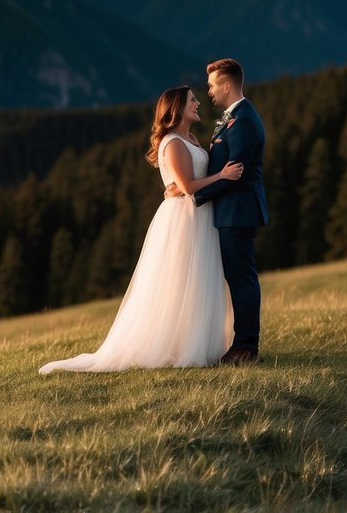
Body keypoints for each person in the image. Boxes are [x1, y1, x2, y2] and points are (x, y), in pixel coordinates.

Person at [38, 86, 241, 373]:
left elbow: (186, 184)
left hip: (200, 215)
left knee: (198, 279)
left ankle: (194, 343)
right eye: (192, 100)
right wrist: (222, 175)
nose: (198, 103)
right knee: (180, 279)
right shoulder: (172, 143)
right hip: (183, 219)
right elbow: (187, 187)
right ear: (177, 109)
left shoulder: (192, 138)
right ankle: (176, 347)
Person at [165, 58, 269, 365]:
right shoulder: (234, 118)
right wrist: (185, 186)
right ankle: (241, 344)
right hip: (229, 212)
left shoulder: (245, 121)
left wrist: (191, 195)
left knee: (242, 280)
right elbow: (222, 169)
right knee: (237, 278)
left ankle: (246, 347)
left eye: (211, 86)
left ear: (226, 85)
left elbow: (234, 171)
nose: (208, 93)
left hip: (238, 212)